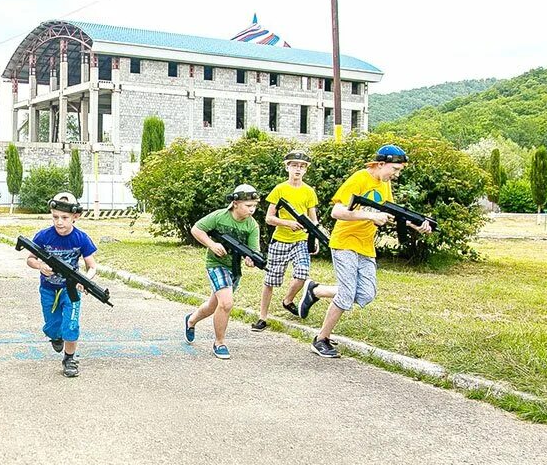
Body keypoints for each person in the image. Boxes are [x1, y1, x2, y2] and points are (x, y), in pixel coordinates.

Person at [297, 144, 432, 358]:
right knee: (346, 294)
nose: (397, 174)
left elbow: (389, 214)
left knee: (366, 294)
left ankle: (316, 291)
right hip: (345, 242)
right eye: (395, 169)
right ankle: (321, 339)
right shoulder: (360, 178)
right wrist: (371, 216)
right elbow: (336, 211)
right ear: (380, 164)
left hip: (366, 245)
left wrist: (416, 224)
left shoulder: (384, 184)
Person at [184, 184, 262, 360]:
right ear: (235, 203)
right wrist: (212, 244)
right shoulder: (220, 216)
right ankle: (219, 343)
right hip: (215, 264)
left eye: (254, 206)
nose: (252, 210)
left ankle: (191, 320)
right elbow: (196, 229)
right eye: (248, 205)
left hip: (234, 268)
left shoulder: (252, 225)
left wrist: (251, 260)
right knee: (226, 303)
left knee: (213, 306)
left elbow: (253, 251)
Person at [25, 192, 98, 378]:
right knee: (52, 326)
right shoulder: (44, 236)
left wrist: (85, 280)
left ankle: (69, 359)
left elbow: (92, 267)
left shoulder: (81, 238)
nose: (59, 222)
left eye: (64, 218)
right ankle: (55, 336)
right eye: (55, 217)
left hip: (70, 290)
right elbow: (30, 259)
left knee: (71, 325)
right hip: (48, 289)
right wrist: (40, 266)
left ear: (75, 216)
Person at [252, 150, 320, 331]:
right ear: (287, 167)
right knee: (270, 280)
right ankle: (262, 317)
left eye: (302, 166)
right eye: (294, 165)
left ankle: (288, 300)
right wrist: (288, 223)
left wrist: (315, 237)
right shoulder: (280, 189)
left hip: (301, 240)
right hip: (280, 240)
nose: (298, 169)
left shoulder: (309, 191)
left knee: (302, 274)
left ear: (306, 170)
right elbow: (269, 218)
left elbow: (313, 220)